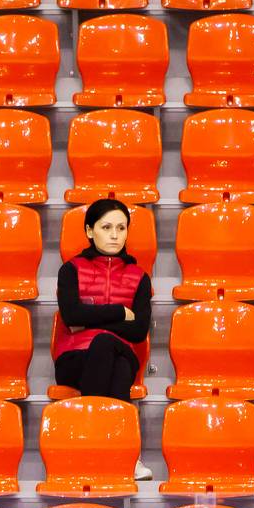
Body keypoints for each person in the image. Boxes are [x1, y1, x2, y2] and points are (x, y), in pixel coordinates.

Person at [53, 198, 153, 478]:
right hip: (75, 359)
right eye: (106, 227)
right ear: (89, 231)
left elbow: (139, 330)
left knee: (108, 346)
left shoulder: (139, 277)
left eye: (121, 228)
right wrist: (120, 312)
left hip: (121, 353)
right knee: (113, 358)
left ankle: (89, 446)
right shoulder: (71, 270)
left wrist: (91, 318)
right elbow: (71, 315)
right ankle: (126, 455)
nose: (114, 235)